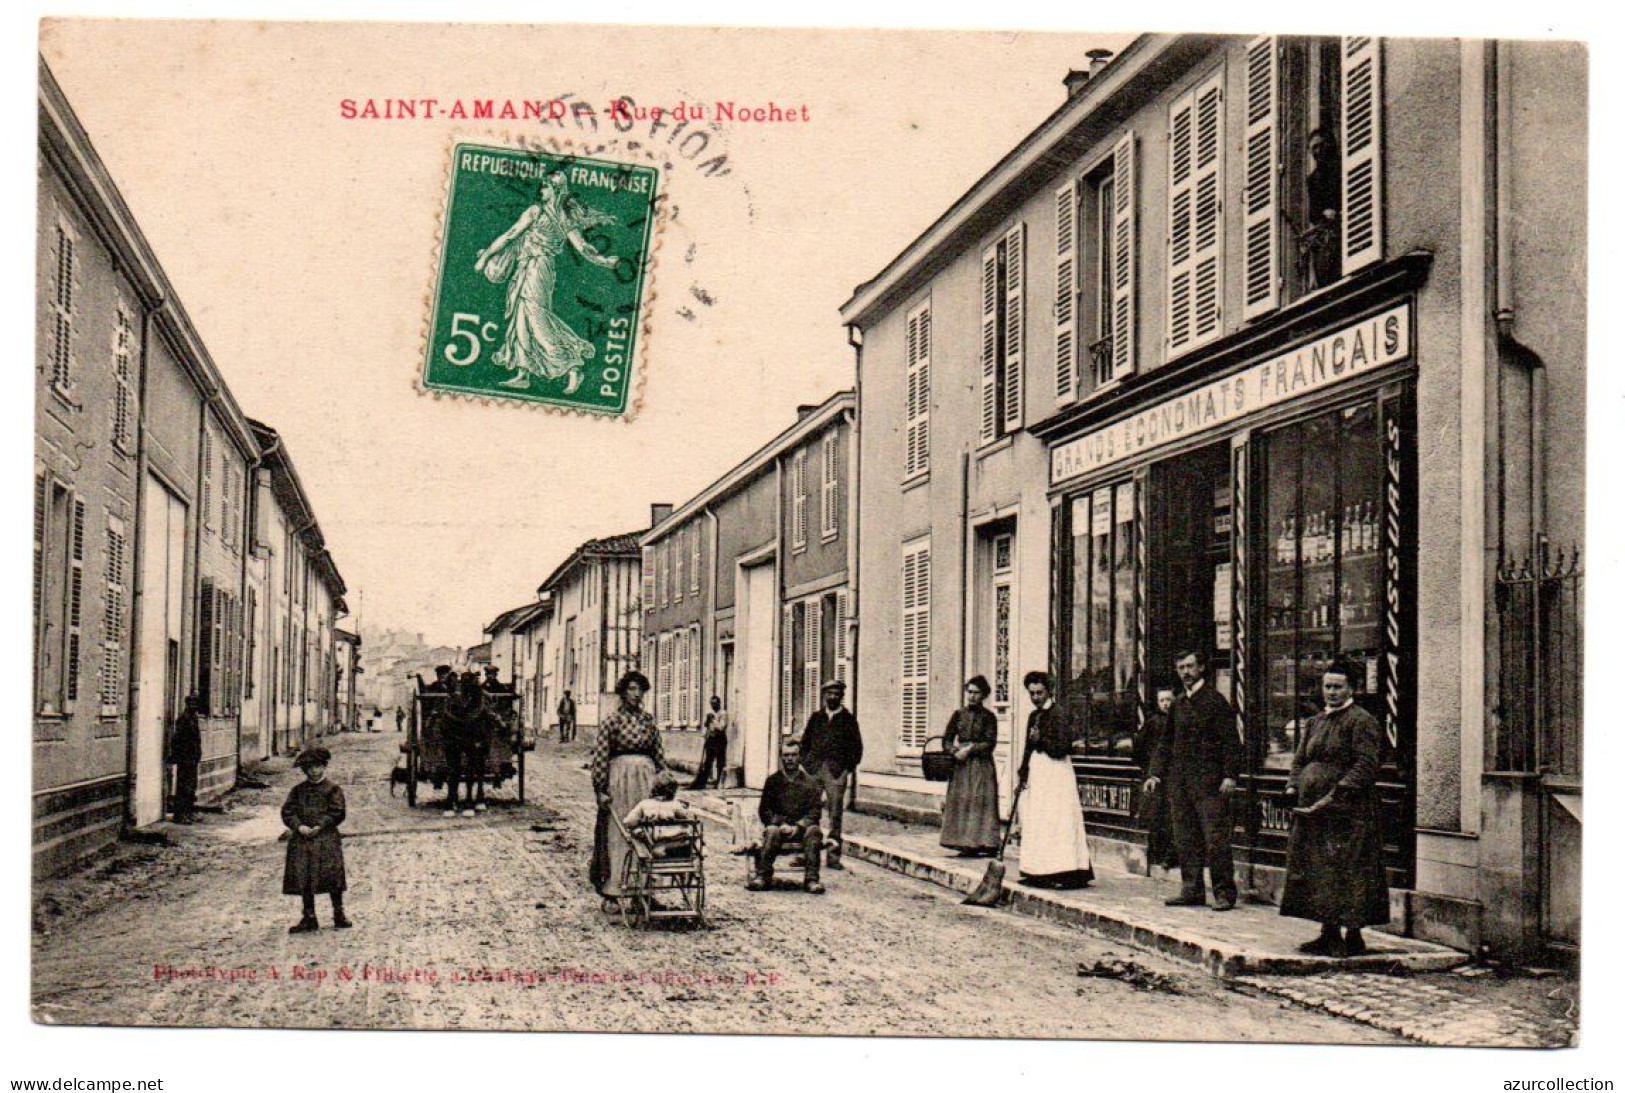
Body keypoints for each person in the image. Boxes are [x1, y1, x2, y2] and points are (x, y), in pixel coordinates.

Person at [473, 172, 621, 396]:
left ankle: (572, 367)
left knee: (536, 316)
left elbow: (582, 248)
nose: (541, 191)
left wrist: (604, 261)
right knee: (520, 316)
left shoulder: (558, 217)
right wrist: (486, 257)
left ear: (556, 190)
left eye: (545, 187)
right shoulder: (544, 213)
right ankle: (523, 373)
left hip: (539, 269)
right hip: (526, 267)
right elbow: (510, 235)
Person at [1280, 660, 1390, 957]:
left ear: (1351, 688)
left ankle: (1352, 934)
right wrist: (1292, 786)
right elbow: (1300, 759)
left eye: (1337, 687)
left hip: (1348, 811)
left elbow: (1365, 765)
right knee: (1318, 868)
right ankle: (1328, 932)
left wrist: (1334, 796)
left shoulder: (1361, 721)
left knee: (1348, 869)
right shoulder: (1315, 722)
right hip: (1312, 810)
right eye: (1327, 686)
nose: (1331, 692)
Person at [1145, 650, 1242, 911]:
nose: (1185, 672)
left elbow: (1232, 743)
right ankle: (1191, 890)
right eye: (1181, 668)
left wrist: (1230, 775)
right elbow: (1166, 743)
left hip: (1210, 784)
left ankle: (1224, 893)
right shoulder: (1177, 704)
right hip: (1180, 784)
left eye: (1190, 666)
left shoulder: (1215, 701)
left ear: (1201, 668)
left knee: (1215, 840)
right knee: (1185, 839)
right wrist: (1155, 773)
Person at [590, 671, 667, 899]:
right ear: (623, 692)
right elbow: (601, 757)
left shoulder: (648, 721)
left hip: (646, 779)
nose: (636, 694)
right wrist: (601, 789)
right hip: (620, 780)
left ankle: (645, 887)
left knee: (646, 829)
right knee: (621, 830)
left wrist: (664, 778)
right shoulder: (611, 722)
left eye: (640, 690)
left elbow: (658, 753)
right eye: (631, 689)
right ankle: (616, 886)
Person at [1016, 672, 1093, 889]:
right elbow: (1028, 746)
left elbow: (1062, 748)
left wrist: (1041, 741)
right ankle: (1038, 870)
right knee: (1038, 818)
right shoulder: (1033, 716)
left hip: (1056, 772)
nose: (1036, 697)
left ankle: (1064, 871)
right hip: (1038, 771)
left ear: (1049, 691)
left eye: (1039, 693)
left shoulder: (1059, 713)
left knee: (1056, 818)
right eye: (1032, 693)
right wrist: (1023, 770)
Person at [282, 747, 349, 933]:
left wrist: (320, 825)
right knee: (304, 876)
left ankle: (339, 914)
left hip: (326, 838)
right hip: (302, 839)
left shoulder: (333, 789)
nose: (313, 771)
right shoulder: (297, 791)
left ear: (324, 767)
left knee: (332, 875)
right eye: (309, 768)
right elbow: (288, 811)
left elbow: (338, 812)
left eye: (317, 767)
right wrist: (299, 826)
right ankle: (309, 917)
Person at [798, 679, 862, 869]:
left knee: (835, 815)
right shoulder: (816, 718)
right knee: (810, 813)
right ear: (824, 695)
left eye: (836, 694)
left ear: (841, 697)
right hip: (815, 770)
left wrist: (846, 769)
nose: (833, 697)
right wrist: (807, 764)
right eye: (829, 693)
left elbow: (856, 748)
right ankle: (808, 854)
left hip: (836, 772)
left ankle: (833, 857)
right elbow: (805, 743)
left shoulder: (848, 720)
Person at [748, 737, 825, 894]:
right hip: (779, 829)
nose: (790, 759)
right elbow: (765, 810)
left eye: (794, 755)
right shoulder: (773, 781)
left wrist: (798, 827)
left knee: (814, 831)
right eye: (786, 755)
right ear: (781, 757)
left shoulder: (810, 783)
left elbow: (815, 811)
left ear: (800, 757)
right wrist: (780, 824)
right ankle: (763, 876)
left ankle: (811, 879)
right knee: (771, 831)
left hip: (801, 830)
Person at [939, 676, 1000, 856]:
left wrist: (971, 749)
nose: (972, 696)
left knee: (981, 801)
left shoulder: (989, 717)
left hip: (981, 765)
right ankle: (964, 843)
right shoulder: (958, 715)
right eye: (970, 692)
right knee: (963, 801)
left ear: (984, 695)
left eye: (976, 693)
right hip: (961, 765)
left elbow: (990, 743)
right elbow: (946, 739)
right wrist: (953, 751)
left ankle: (985, 842)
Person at [1134, 687, 1179, 871]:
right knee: (1159, 817)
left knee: (1174, 817)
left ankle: (1172, 856)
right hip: (1158, 778)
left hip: (1176, 776)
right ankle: (1159, 856)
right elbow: (1138, 748)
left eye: (1169, 699)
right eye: (1162, 700)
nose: (1166, 704)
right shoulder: (1153, 722)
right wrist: (1149, 770)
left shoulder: (1179, 720)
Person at [439, 671, 493, 817]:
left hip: (472, 733)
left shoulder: (477, 695)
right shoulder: (449, 699)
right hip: (452, 734)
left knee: (472, 767)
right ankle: (451, 800)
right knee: (453, 769)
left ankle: (472, 800)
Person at [622, 770, 698, 859]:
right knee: (686, 831)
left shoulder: (644, 804)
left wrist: (639, 828)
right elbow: (686, 819)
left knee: (636, 832)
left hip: (655, 844)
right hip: (678, 845)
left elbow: (629, 821)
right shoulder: (675, 804)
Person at [170, 693, 203, 825]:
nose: (194, 706)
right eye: (192, 704)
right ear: (187, 704)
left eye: (196, 704)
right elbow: (177, 739)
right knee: (183, 787)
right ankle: (180, 815)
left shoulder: (193, 718)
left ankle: (188, 813)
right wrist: (178, 755)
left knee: (191, 787)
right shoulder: (183, 719)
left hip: (192, 758)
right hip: (185, 758)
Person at [690, 695, 730, 789]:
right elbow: (707, 728)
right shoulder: (710, 714)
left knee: (720, 762)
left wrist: (713, 720)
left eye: (715, 703)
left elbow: (721, 727)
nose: (713, 706)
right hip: (711, 740)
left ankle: (719, 783)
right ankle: (702, 783)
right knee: (708, 762)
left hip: (720, 740)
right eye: (712, 704)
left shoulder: (723, 714)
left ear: (719, 703)